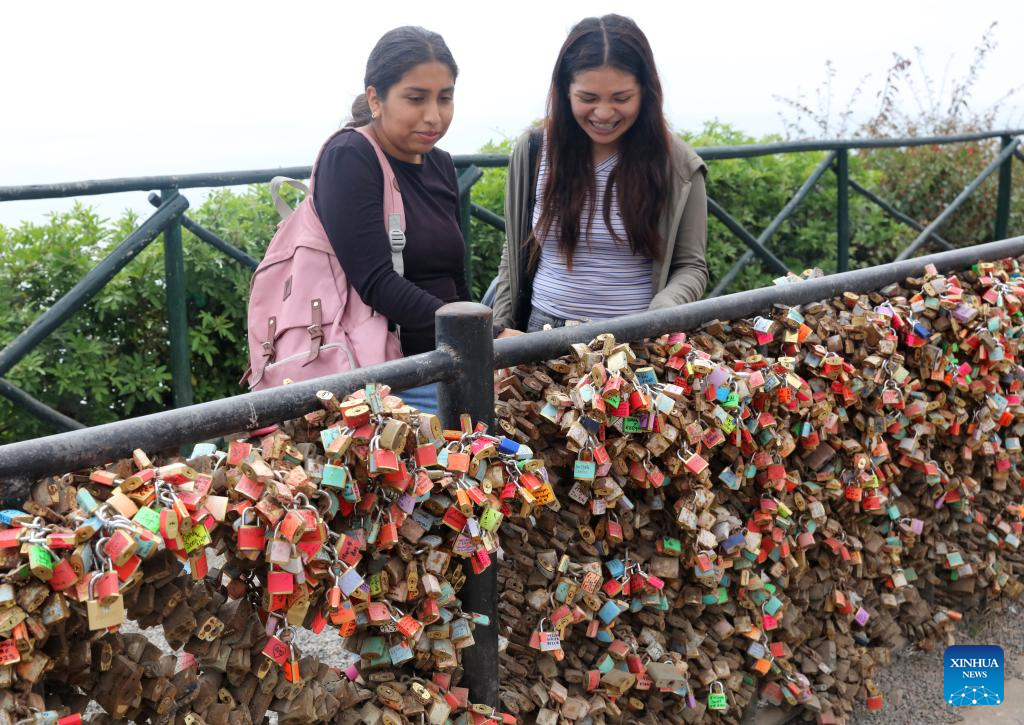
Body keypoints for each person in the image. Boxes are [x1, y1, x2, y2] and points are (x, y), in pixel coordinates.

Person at [492, 14, 709, 334]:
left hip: (633, 339)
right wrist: (501, 328)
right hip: (541, 333)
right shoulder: (534, 150)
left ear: (645, 92)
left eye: (621, 98)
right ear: (565, 91)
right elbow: (513, 252)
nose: (604, 113)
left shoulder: (677, 164)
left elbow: (691, 267)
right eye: (588, 98)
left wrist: (660, 314)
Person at [314, 27, 465, 413]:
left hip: (450, 362)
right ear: (375, 99)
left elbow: (455, 277)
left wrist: (478, 343)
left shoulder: (440, 163)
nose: (433, 116)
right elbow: (377, 282)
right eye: (416, 98)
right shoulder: (350, 155)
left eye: (445, 98)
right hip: (392, 379)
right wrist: (476, 331)